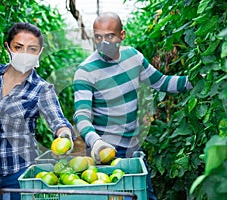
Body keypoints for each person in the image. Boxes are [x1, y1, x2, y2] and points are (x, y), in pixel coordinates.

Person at [73, 12, 193, 200]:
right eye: (98, 37)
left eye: (109, 36)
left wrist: (198, 79)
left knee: (144, 196)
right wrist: (95, 142)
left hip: (133, 148)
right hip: (104, 151)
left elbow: (161, 82)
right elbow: (81, 115)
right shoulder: (85, 72)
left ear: (122, 35)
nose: (103, 42)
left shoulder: (133, 58)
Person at [0, 22, 75, 200]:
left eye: (32, 49)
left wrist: (65, 136)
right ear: (7, 47)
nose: (24, 54)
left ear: (40, 52)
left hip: (21, 175)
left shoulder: (41, 89)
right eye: (18, 47)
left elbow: (58, 121)